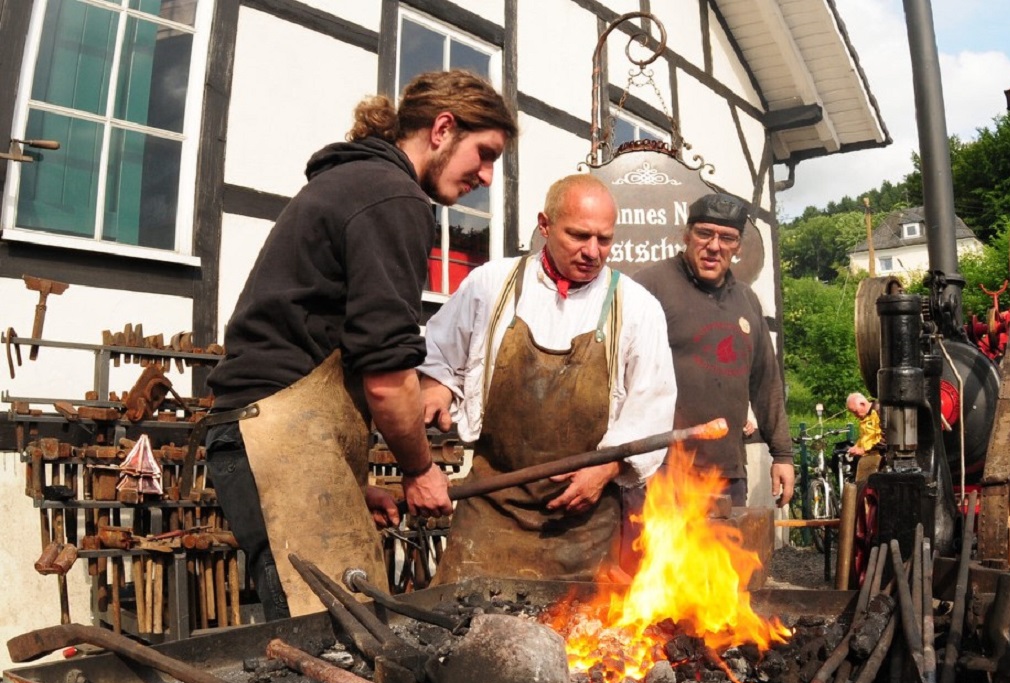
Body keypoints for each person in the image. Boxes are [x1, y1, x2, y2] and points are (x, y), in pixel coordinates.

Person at [204, 70, 517, 619]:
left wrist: (353, 484)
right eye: (484, 153)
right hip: (273, 436)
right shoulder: (392, 196)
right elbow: (388, 374)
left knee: (349, 636)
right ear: (443, 128)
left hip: (273, 432)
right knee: (335, 643)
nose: (488, 176)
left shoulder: (358, 184)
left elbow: (326, 338)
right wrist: (419, 471)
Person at [419, 174, 677, 584]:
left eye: (604, 239)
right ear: (545, 225)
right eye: (578, 235)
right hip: (490, 512)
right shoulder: (491, 285)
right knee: (464, 629)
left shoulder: (637, 307)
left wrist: (607, 469)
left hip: (583, 524)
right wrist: (435, 383)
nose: (593, 252)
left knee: (587, 640)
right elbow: (438, 353)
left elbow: (652, 407)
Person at [634, 193, 794, 508]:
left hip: (728, 473)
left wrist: (783, 454)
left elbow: (765, 383)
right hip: (663, 470)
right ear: (686, 235)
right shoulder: (649, 287)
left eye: (727, 238)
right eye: (704, 233)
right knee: (659, 559)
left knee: (727, 558)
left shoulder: (747, 301)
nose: (714, 246)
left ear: (738, 247)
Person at [846, 392, 884, 482]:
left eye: (855, 412)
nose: (855, 415)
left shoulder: (879, 412)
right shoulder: (865, 416)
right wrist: (856, 447)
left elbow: (885, 440)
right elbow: (864, 437)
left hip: (879, 460)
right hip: (868, 458)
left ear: (862, 404)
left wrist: (864, 450)